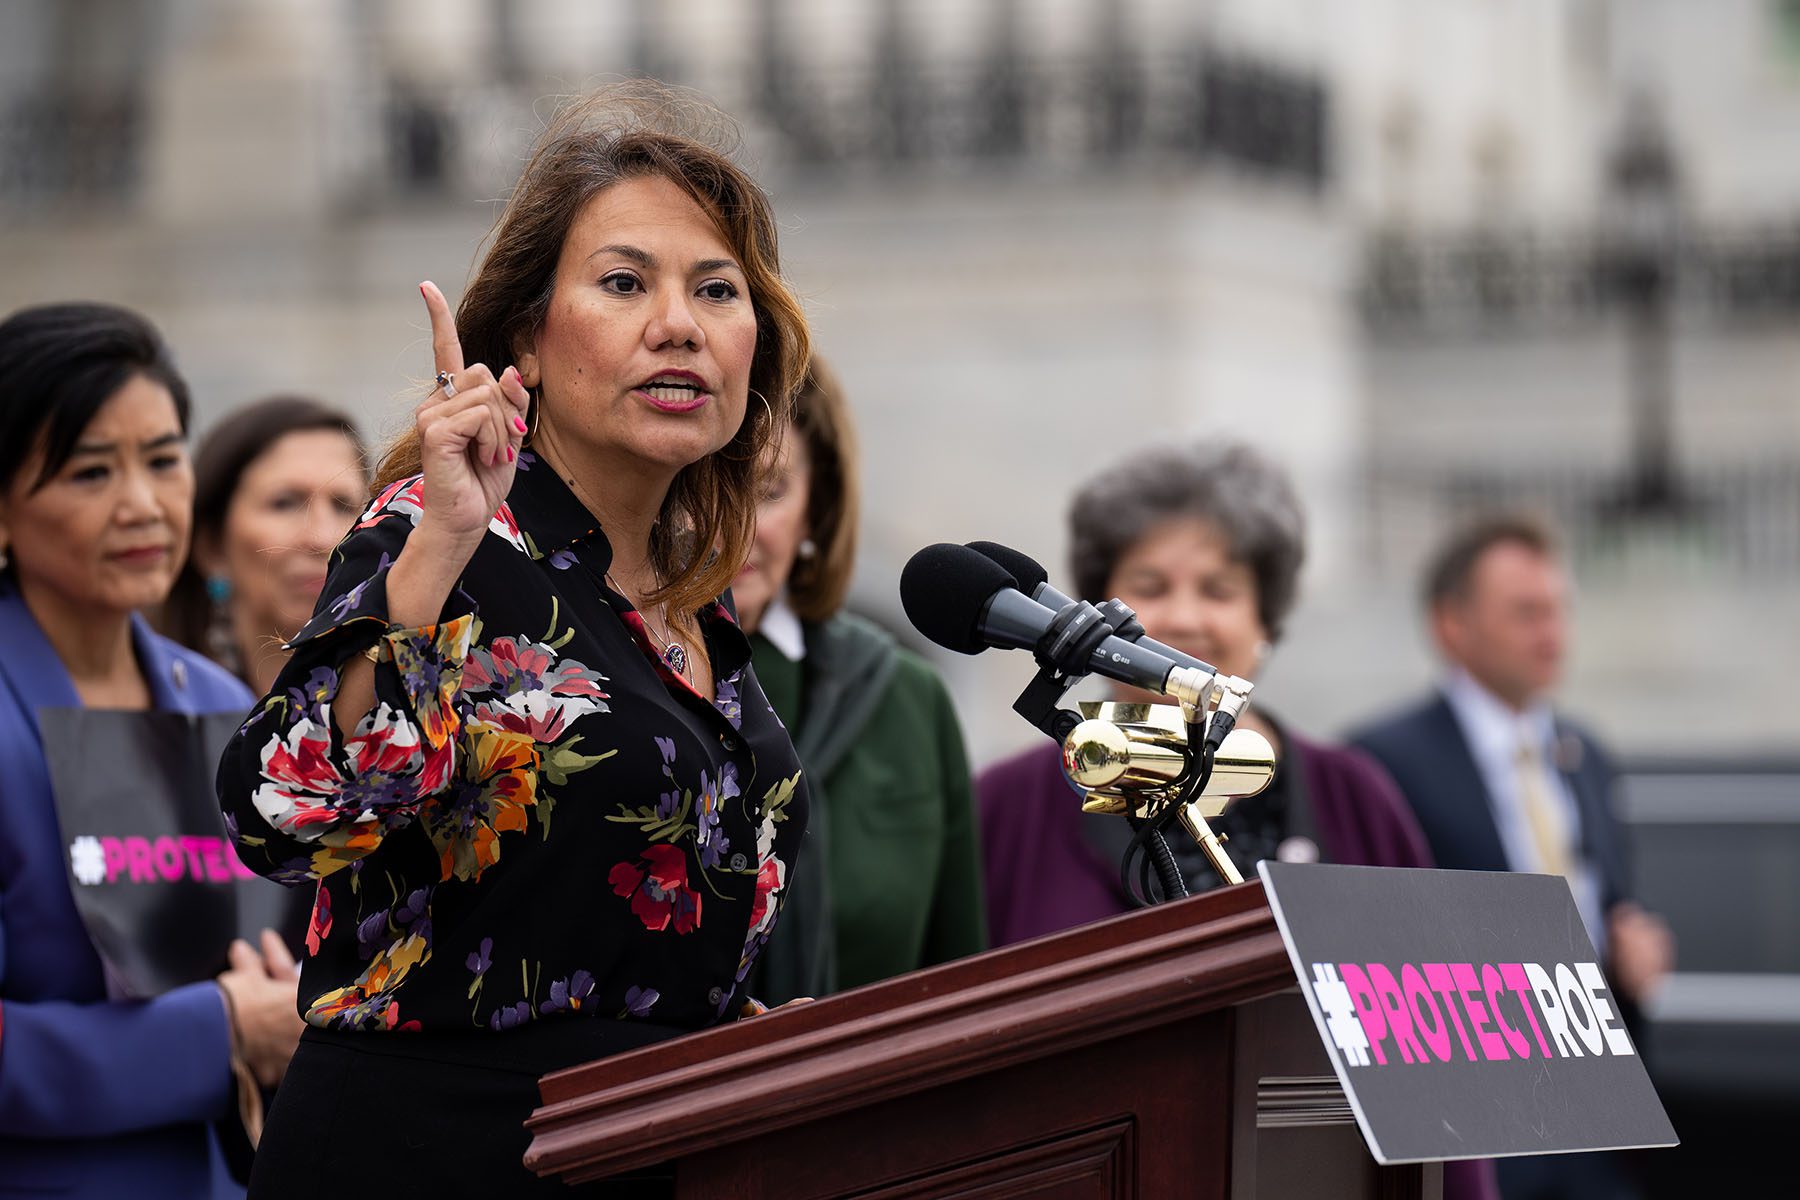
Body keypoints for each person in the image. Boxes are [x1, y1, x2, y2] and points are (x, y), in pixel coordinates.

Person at [215, 84, 813, 1196]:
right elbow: (283, 816)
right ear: (527, 339)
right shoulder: (443, 534)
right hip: (432, 1153)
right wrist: (438, 548)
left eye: (716, 290)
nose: (677, 323)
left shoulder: (693, 597)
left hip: (651, 1148)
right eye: (625, 283)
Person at [976, 441, 1500, 1200]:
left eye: (1220, 589)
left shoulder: (1357, 796)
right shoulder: (1005, 807)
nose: (1184, 616)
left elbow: (1443, 1061)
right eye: (1149, 586)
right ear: (1090, 618)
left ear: (1265, 624)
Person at [0, 302, 303, 1198]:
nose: (142, 504)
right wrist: (216, 1034)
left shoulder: (212, 701)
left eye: (164, 460)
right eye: (92, 471)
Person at [1349, 513, 1673, 1200]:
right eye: (1526, 611)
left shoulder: (1586, 751)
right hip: (1471, 1123)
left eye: (1559, 609)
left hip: (1596, 1115)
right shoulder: (1383, 761)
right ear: (1451, 626)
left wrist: (1630, 940)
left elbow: (1609, 896)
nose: (1552, 631)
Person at [733, 358, 985, 1003]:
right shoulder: (605, 681)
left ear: (817, 509)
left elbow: (958, 971)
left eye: (768, 490)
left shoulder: (907, 698)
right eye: (700, 485)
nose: (733, 526)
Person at [162, 396, 368, 694]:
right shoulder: (157, 706)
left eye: (343, 505)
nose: (322, 539)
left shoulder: (414, 708)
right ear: (212, 546)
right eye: (285, 503)